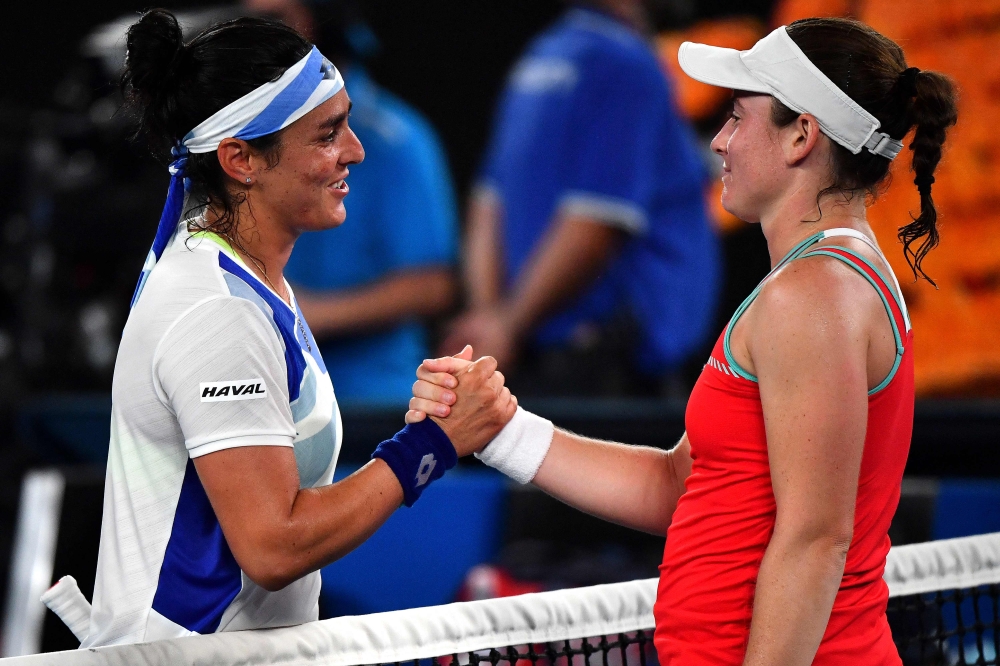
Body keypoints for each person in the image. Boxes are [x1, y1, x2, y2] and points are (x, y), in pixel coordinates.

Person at [410, 17, 957, 665]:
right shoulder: (815, 284)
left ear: (802, 135)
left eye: (737, 116)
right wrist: (502, 430)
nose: (719, 141)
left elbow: (816, 541)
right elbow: (679, 486)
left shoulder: (813, 294)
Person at [84, 10, 513, 647]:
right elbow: (274, 545)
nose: (356, 151)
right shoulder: (219, 313)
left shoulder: (251, 282)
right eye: (327, 134)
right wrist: (431, 446)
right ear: (241, 159)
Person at [442, 0, 719, 396]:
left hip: (537, 361)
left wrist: (491, 321)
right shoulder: (625, 63)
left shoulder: (540, 57)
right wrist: (504, 326)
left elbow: (488, 203)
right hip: (613, 375)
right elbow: (596, 219)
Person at [248, 0, 460, 405]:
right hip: (267, 394)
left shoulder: (397, 140)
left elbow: (432, 284)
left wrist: (300, 315)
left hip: (370, 405)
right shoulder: (248, 137)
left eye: (275, 21)